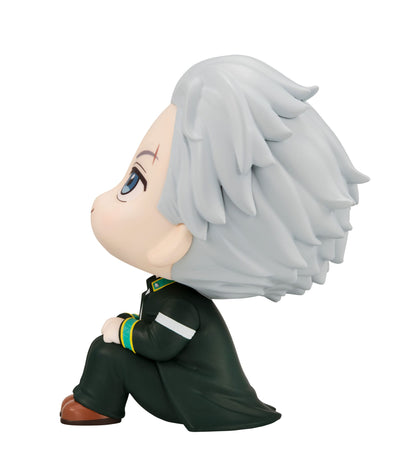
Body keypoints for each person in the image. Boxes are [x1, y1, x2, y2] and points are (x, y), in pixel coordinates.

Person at [60, 55, 368, 431]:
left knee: (108, 353)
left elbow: (159, 344)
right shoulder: (173, 295)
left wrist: (120, 330)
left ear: (179, 235)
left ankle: (95, 404)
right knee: (109, 349)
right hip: (183, 386)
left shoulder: (180, 304)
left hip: (195, 399)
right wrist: (128, 327)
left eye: (134, 183)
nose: (102, 200)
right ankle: (93, 398)